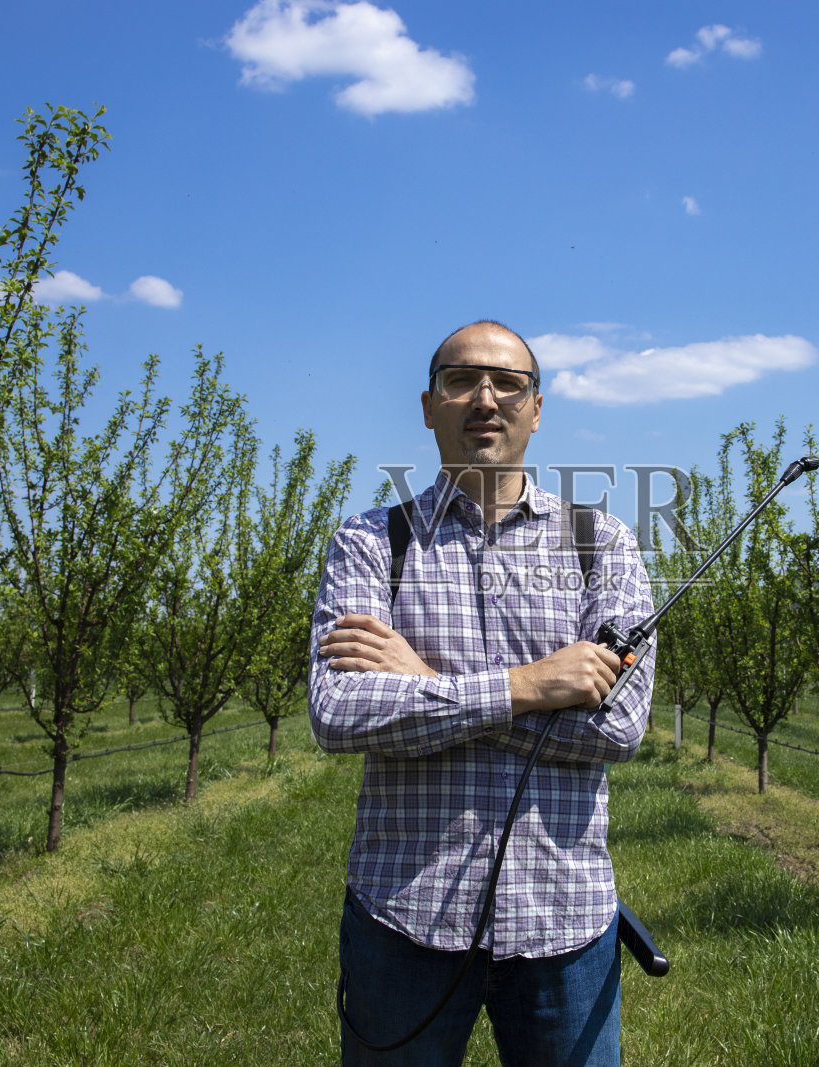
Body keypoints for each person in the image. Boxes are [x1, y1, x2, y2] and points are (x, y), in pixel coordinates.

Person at [309, 320, 655, 1066]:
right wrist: (530, 687)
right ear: (429, 404)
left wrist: (428, 689)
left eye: (509, 383)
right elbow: (337, 711)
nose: (485, 398)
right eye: (462, 379)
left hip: (565, 923)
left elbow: (620, 725)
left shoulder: (602, 546)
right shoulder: (373, 545)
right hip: (404, 916)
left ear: (537, 408)